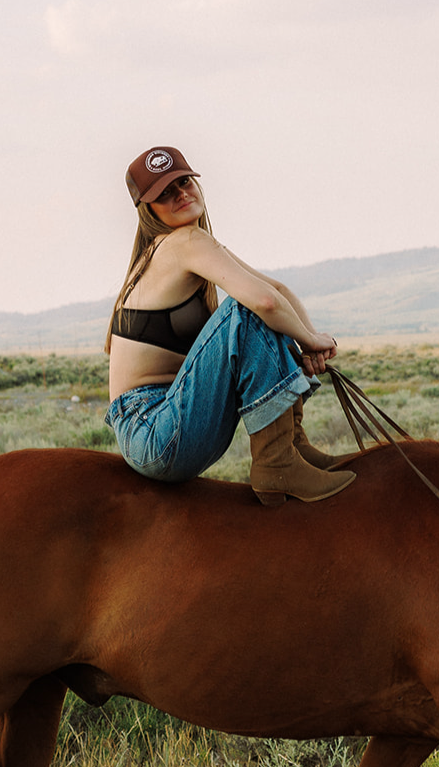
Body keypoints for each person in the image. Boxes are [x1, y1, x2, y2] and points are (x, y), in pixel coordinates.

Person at [104, 146, 356, 505]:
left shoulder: (183, 245)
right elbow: (264, 302)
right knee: (247, 311)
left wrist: (308, 340)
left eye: (183, 182)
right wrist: (311, 340)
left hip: (162, 425)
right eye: (164, 194)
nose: (180, 195)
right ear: (149, 211)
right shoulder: (182, 243)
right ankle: (276, 462)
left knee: (257, 310)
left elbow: (276, 291)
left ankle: (292, 445)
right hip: (154, 430)